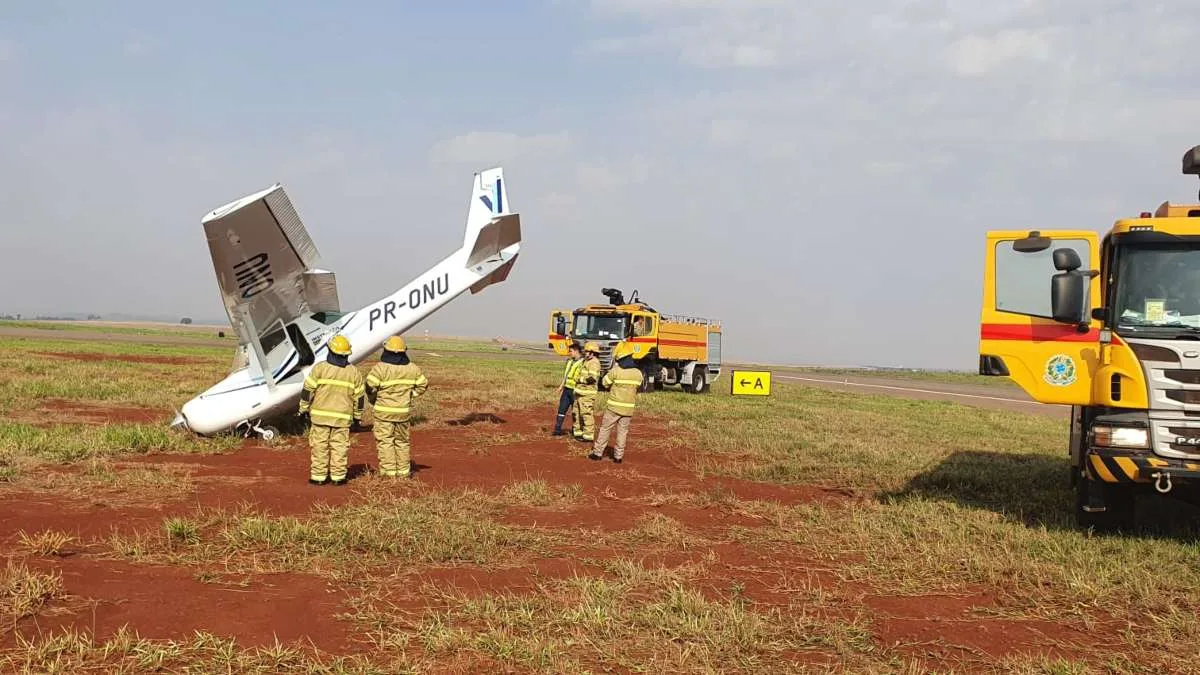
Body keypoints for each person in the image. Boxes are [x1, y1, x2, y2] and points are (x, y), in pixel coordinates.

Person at [298, 334, 364, 485]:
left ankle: (318, 477)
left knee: (319, 447)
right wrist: (357, 417)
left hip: (320, 419)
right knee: (339, 448)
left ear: (330, 350)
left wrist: (303, 410)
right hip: (342, 420)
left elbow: (307, 391)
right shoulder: (353, 372)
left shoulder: (319, 368)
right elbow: (359, 398)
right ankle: (338, 477)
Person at [366, 335, 428, 478]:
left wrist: (374, 399)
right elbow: (423, 384)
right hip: (403, 413)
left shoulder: (380, 368)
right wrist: (411, 394)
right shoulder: (412, 368)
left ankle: (389, 473)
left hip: (383, 413)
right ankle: (403, 472)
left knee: (385, 442)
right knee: (402, 442)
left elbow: (369, 386)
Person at [590, 340, 643, 464]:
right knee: (622, 432)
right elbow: (638, 387)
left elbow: (604, 383)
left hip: (613, 408)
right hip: (628, 409)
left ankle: (597, 453)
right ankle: (618, 457)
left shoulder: (616, 371)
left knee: (605, 429)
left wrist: (613, 370)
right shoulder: (638, 373)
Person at [572, 342, 602, 443]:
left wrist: (579, 379)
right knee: (576, 413)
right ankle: (578, 433)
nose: (585, 353)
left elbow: (592, 379)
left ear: (593, 352)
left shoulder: (594, 363)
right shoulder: (586, 361)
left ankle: (588, 435)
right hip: (579, 393)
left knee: (586, 414)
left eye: (587, 351)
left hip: (587, 394)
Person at [553, 342, 583, 436]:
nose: (569, 353)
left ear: (576, 351)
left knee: (575, 412)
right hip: (566, 389)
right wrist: (561, 386)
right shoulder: (570, 361)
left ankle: (575, 431)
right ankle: (557, 430)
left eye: (570, 351)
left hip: (575, 390)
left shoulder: (582, 363)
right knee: (561, 410)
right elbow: (566, 375)